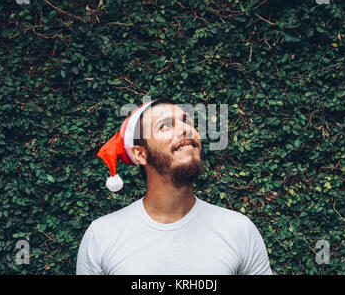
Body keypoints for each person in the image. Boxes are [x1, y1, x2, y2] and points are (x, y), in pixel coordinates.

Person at [76, 99, 272, 275]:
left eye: (187, 122)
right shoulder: (101, 236)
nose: (186, 129)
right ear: (140, 155)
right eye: (165, 126)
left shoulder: (239, 230)